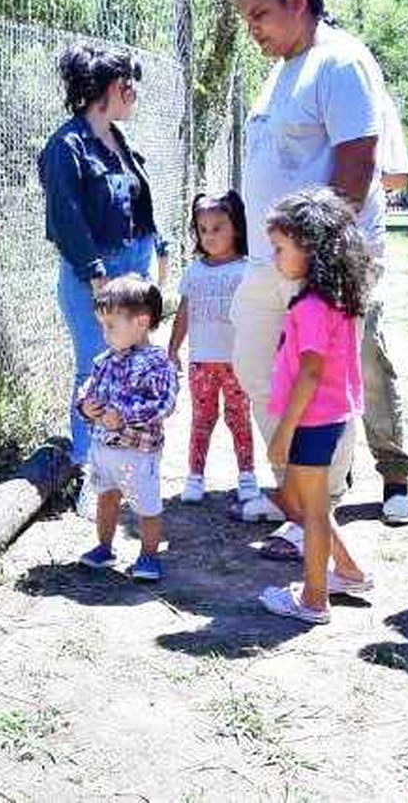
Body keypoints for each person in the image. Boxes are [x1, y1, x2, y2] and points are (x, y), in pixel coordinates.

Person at [226, 0, 408, 548]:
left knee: (320, 388)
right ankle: (294, 489)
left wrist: (314, 260)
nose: (253, 28)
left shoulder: (340, 62)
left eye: (260, 14)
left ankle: (318, 510)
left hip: (316, 264)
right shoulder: (282, 69)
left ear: (298, 2)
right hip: (268, 260)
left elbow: (357, 166)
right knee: (256, 367)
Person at [39, 41, 162, 473]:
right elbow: (65, 219)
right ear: (112, 86)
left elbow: (136, 201)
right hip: (93, 275)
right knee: (96, 367)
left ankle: (127, 454)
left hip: (134, 268)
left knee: (132, 365)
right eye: (131, 86)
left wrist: (155, 255)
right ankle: (90, 465)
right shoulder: (66, 146)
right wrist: (97, 279)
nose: (136, 95)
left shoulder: (118, 138)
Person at [256, 189, 375, 624]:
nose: (275, 257)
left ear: (310, 248)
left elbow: (309, 372)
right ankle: (348, 571)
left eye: (280, 248)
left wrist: (284, 432)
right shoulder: (336, 299)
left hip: (310, 420)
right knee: (311, 506)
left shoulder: (310, 306)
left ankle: (313, 598)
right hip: (329, 416)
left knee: (312, 510)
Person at [74, 275, 178, 581]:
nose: (105, 334)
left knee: (146, 503)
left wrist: (124, 416)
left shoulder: (157, 363)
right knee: (106, 496)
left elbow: (163, 404)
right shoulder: (104, 361)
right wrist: (86, 407)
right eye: (103, 325)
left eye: (111, 326)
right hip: (103, 448)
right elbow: (88, 390)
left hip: (138, 451)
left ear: (141, 322)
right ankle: (104, 547)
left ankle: (149, 555)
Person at [167, 191, 258, 504]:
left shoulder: (247, 269)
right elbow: (184, 312)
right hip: (201, 362)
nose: (210, 236)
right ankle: (195, 476)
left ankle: (247, 476)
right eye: (203, 229)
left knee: (239, 419)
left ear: (237, 227)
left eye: (218, 227)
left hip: (238, 363)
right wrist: (173, 349)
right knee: (202, 419)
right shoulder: (195, 271)